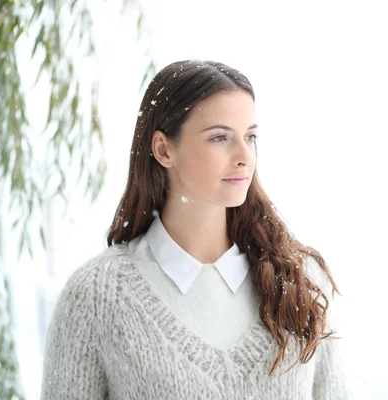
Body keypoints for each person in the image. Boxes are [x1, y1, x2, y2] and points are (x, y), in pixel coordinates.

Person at [40, 60, 353, 399]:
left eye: (250, 137)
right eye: (219, 137)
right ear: (163, 150)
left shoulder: (302, 281)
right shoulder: (95, 297)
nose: (244, 156)